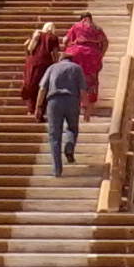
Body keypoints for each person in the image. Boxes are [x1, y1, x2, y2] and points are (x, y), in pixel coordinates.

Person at [34, 49, 86, 177]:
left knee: (54, 135)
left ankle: (57, 169)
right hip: (72, 100)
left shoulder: (52, 68)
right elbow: (83, 90)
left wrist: (38, 106)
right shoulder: (77, 69)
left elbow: (42, 88)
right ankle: (69, 146)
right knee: (72, 128)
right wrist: (86, 106)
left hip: (54, 101)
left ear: (60, 58)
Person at [62, 11, 108, 121]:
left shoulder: (76, 26)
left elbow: (65, 40)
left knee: (76, 77)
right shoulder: (97, 28)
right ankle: (90, 102)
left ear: (81, 19)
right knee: (92, 78)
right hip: (93, 54)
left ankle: (77, 101)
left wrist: (69, 47)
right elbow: (105, 42)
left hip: (77, 53)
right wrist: (101, 53)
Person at [19, 22, 58, 116]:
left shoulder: (36, 35)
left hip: (31, 61)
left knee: (31, 84)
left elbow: (26, 45)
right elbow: (55, 53)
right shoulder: (53, 37)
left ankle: (31, 109)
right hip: (45, 62)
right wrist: (56, 64)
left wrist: (28, 57)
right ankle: (41, 109)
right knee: (43, 85)